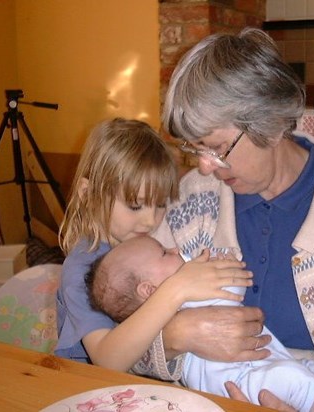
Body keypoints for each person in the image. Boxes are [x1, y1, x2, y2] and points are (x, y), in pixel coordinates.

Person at [151, 28, 314, 412]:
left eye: (217, 148)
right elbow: (129, 323)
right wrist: (175, 335)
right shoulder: (192, 200)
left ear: (273, 123)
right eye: (196, 149)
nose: (205, 167)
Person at [87, 235, 314, 412]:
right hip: (240, 386)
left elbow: (232, 290)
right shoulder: (172, 302)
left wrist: (219, 265)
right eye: (165, 253)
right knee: (292, 378)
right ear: (149, 291)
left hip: (261, 362)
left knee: (308, 369)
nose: (177, 250)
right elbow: (127, 355)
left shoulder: (182, 285)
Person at [55, 117, 252, 373]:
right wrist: (176, 289)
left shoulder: (144, 241)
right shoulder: (82, 267)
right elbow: (107, 360)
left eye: (160, 204)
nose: (150, 220)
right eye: (135, 205)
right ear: (87, 193)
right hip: (90, 388)